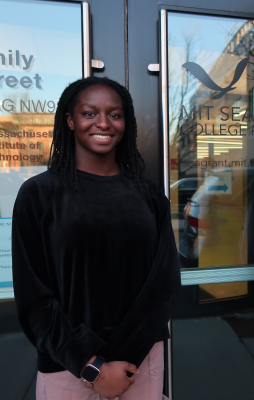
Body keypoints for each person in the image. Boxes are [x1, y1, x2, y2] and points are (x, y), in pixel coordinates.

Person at [12, 77, 181, 400]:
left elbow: (164, 284)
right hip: (67, 366)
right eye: (90, 113)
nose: (103, 123)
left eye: (114, 115)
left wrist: (122, 360)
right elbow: (33, 296)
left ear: (125, 122)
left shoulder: (148, 195)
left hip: (138, 365)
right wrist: (91, 365)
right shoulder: (39, 195)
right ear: (70, 120)